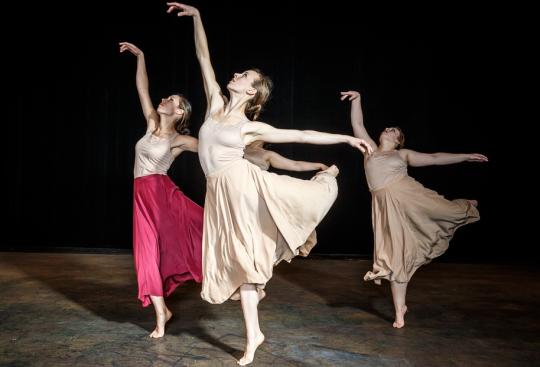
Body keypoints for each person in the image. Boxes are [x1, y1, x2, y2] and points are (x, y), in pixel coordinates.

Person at [166, 4, 373, 364]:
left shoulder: (250, 128)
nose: (236, 74)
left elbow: (302, 134)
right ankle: (255, 331)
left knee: (247, 257)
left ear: (252, 91)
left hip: (242, 188)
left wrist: (345, 138)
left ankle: (256, 294)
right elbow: (203, 55)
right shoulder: (215, 102)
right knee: (241, 262)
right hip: (219, 192)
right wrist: (198, 16)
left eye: (244, 74)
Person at [341, 90, 487, 328]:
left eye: (394, 131)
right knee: (397, 258)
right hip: (386, 207)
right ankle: (400, 311)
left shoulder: (402, 154)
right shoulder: (368, 148)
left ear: (398, 140)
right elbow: (357, 123)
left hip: (410, 196)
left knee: (448, 211)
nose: (389, 129)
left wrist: (464, 156)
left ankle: (465, 204)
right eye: (388, 128)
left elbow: (435, 158)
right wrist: (357, 99)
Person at [120, 41, 203, 338]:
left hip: (161, 196)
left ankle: (236, 277)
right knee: (145, 256)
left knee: (197, 232)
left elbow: (210, 148)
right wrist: (141, 56)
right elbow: (142, 88)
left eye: (171, 99)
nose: (164, 98)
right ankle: (162, 312)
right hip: (141, 195)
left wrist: (248, 148)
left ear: (179, 111)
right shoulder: (151, 123)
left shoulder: (178, 140)